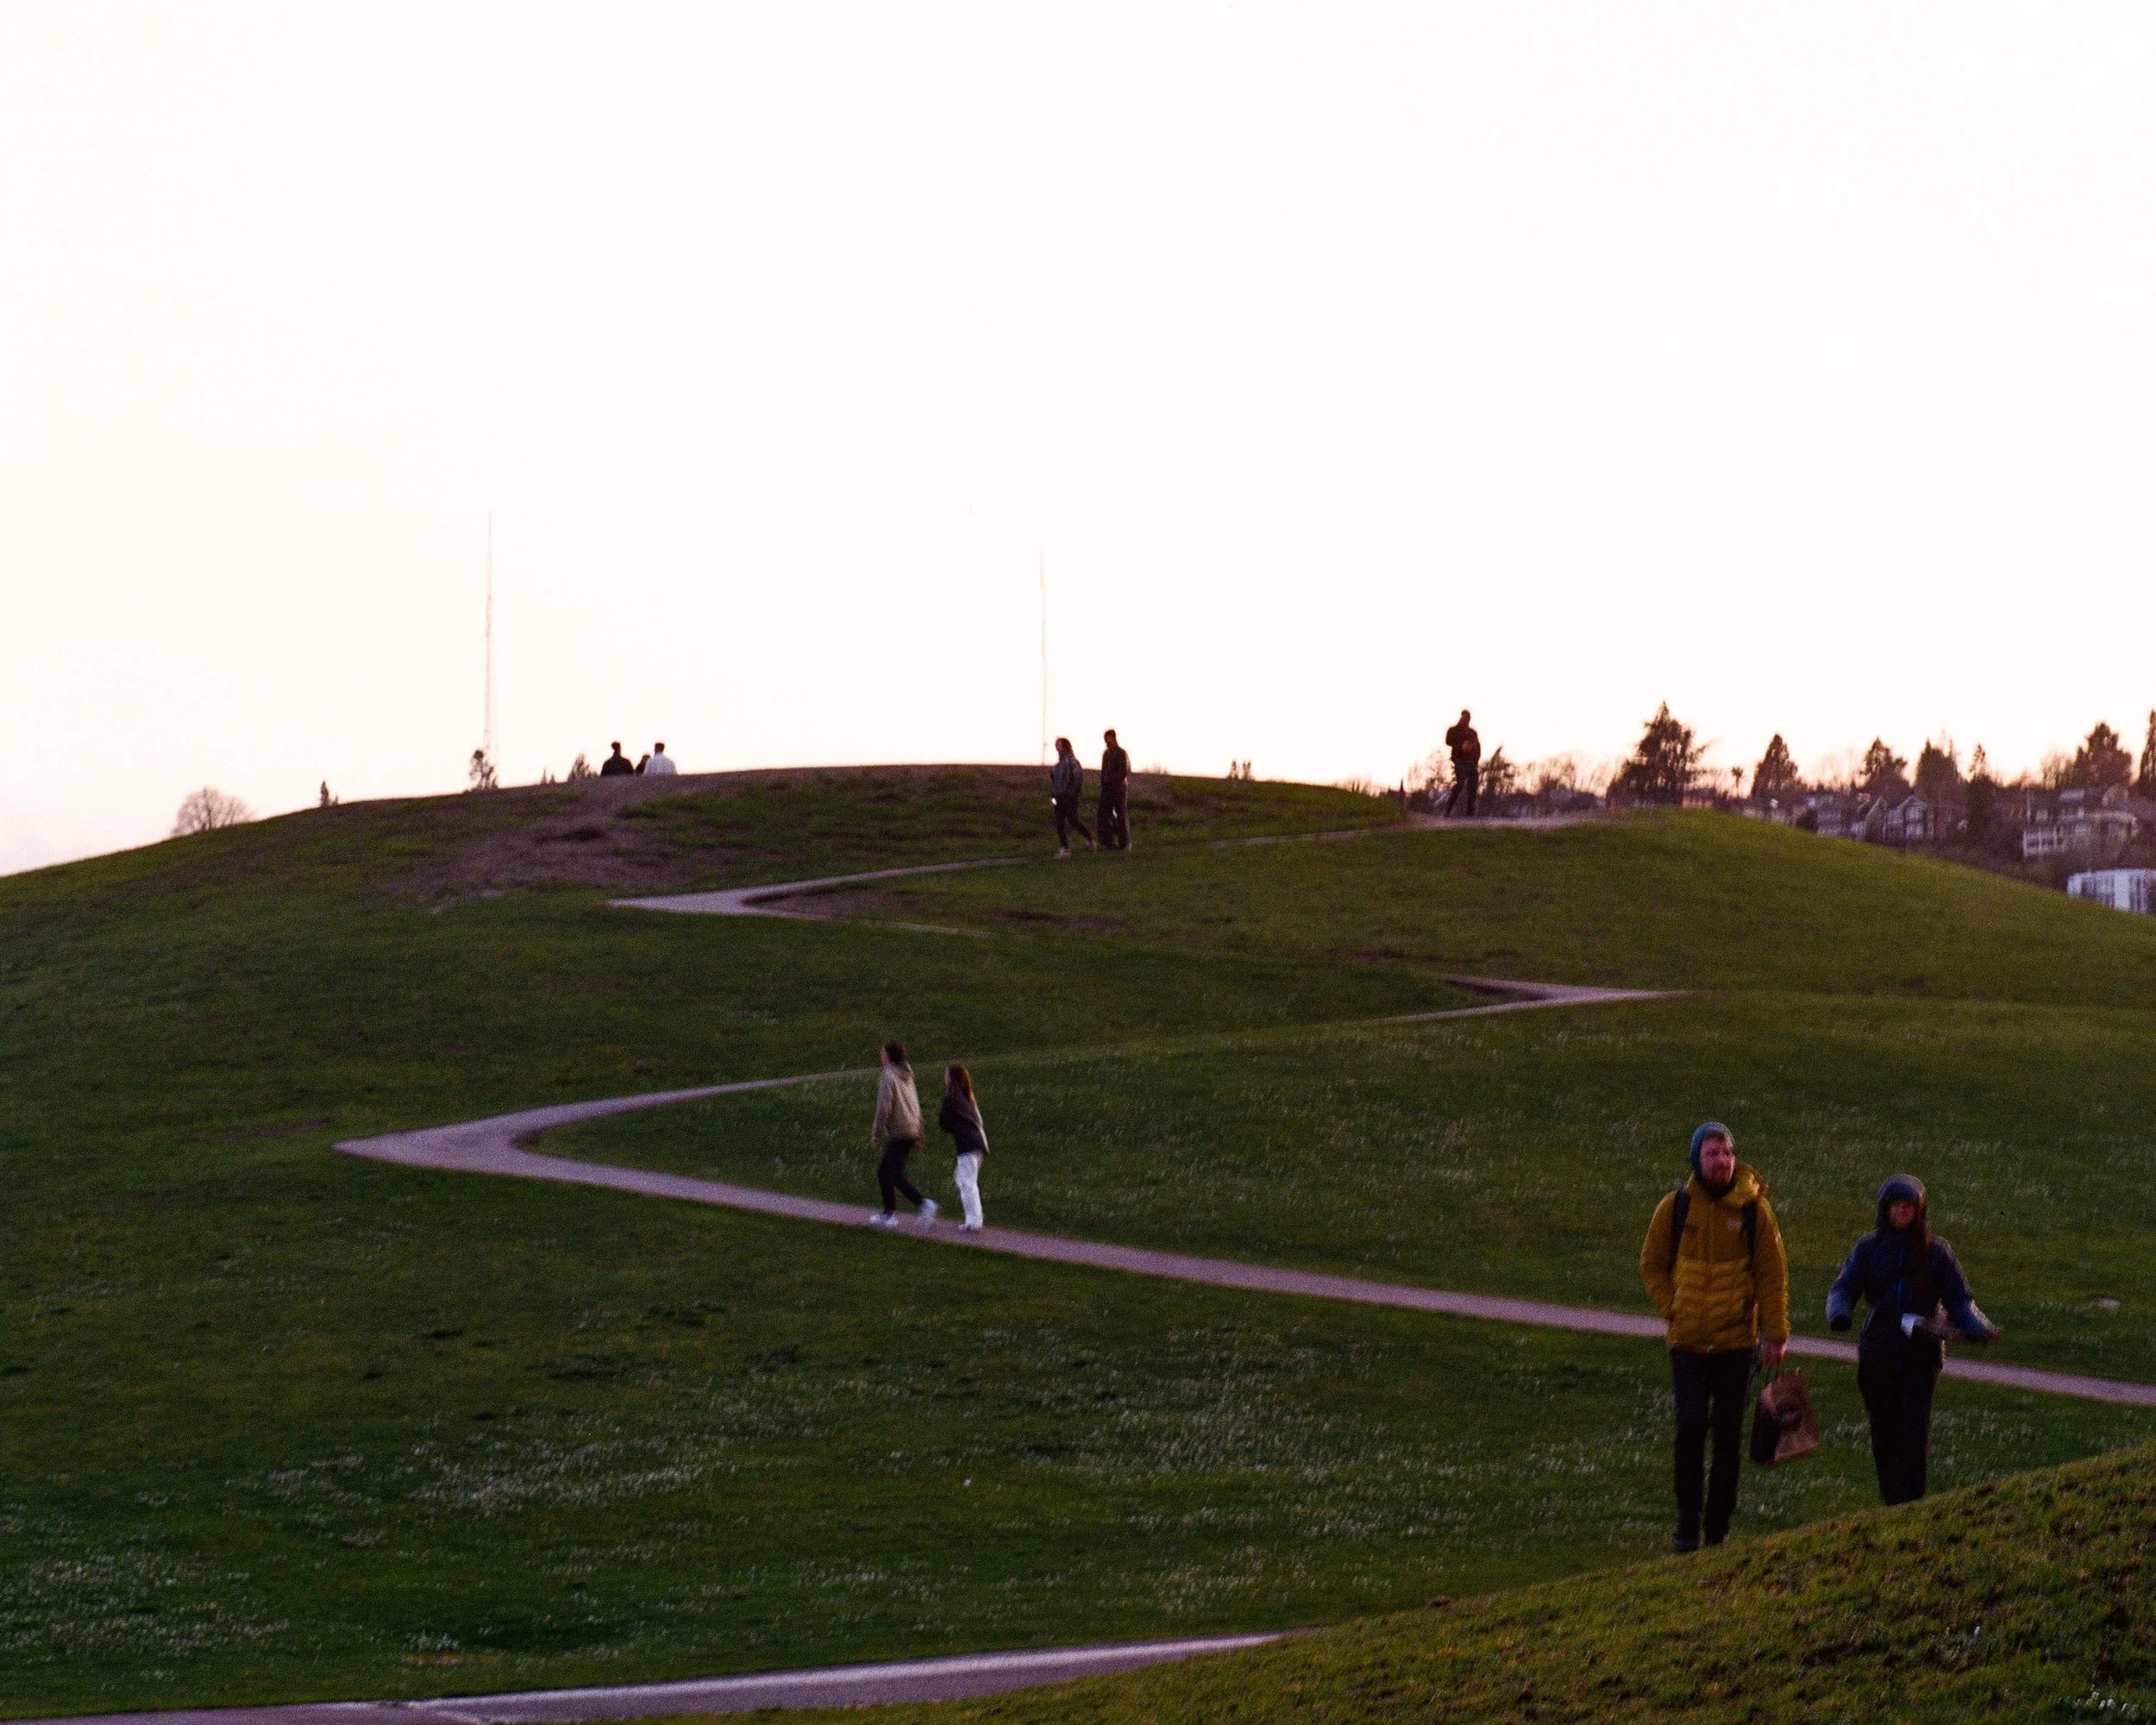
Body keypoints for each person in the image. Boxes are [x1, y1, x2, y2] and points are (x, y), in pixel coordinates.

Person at [1639, 1122, 1789, 1553]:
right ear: (1696, 1160)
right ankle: (1686, 1531)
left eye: (1726, 1152)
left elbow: (1772, 1274)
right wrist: (1672, 1308)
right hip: (1687, 1343)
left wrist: (1776, 1335)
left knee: (1727, 1438)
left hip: (1736, 1345)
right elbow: (1651, 1264)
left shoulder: (1754, 1211)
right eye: (1711, 1153)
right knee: (1689, 1430)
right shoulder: (1675, 1208)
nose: (1721, 1160)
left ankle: (1717, 1533)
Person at [1827, 1176, 1999, 1507]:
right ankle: (1892, 1502)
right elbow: (1844, 1287)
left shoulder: (1937, 1253)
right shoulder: (1868, 1249)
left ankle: (1911, 1506)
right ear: (1885, 1209)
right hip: (1877, 1352)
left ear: (1920, 1211)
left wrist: (1977, 1326)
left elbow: (1959, 1298)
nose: (1903, 1211)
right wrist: (1839, 1313)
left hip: (1922, 1354)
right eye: (1897, 1205)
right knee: (1884, 1431)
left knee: (1914, 1433)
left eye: (1910, 1206)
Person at [868, 1041, 937, 1229]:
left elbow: (884, 1107)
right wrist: (918, 1131)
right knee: (890, 1172)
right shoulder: (907, 1075)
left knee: (888, 1172)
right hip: (910, 1129)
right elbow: (915, 1104)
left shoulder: (888, 1076)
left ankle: (920, 1205)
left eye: (882, 1053)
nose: (881, 1056)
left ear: (888, 1056)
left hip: (899, 1131)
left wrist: (876, 1132)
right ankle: (893, 1212)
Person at [937, 1063, 989, 1231]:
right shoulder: (968, 1096)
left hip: (967, 1144)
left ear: (951, 1078)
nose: (944, 1078)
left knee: (967, 1182)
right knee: (963, 1178)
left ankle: (974, 1222)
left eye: (946, 1075)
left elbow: (943, 1121)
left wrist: (953, 1127)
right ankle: (975, 1218)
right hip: (979, 1143)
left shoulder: (951, 1095)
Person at [1050, 737, 1094, 857]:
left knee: (1073, 820)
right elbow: (1055, 781)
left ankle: (1089, 839)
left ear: (1065, 747)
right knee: (1059, 822)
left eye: (1059, 745)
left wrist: (1072, 794)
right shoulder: (1057, 766)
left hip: (1070, 798)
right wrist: (1053, 794)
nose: (1057, 748)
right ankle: (1065, 848)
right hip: (1059, 798)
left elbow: (1078, 779)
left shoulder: (1072, 762)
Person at [1442, 710, 1481, 818]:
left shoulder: (1473, 733)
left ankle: (1470, 814)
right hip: (1459, 760)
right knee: (1460, 783)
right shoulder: (1454, 730)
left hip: (1471, 762)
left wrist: (1476, 759)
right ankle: (1448, 809)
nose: (1464, 720)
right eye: (1463, 717)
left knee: (1473, 786)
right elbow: (1448, 741)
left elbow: (1478, 747)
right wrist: (1461, 746)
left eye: (1467, 718)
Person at [1098, 729, 1131, 851]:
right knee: (1104, 814)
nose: (1106, 741)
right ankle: (1107, 841)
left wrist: (1110, 779)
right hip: (1107, 788)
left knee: (1121, 813)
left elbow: (1124, 771)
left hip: (1119, 788)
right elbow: (1103, 771)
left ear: (1113, 737)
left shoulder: (1122, 753)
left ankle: (1125, 843)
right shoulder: (1106, 754)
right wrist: (1104, 784)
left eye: (1108, 738)